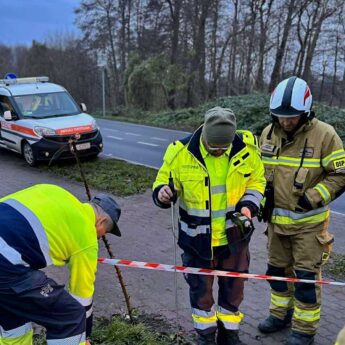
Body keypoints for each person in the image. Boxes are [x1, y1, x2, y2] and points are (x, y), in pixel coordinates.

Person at [152, 107, 265, 345]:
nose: (218, 151)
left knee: (233, 290)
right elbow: (162, 180)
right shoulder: (180, 152)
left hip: (234, 239)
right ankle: (205, 336)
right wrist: (162, 193)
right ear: (204, 135)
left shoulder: (246, 149)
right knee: (200, 293)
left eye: (223, 148)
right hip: (197, 242)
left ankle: (229, 333)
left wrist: (249, 205)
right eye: (214, 147)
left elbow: (257, 180)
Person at [258, 76, 345, 345]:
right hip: (275, 224)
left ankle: (304, 331)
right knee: (276, 273)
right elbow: (258, 174)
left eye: (292, 117)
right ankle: (279, 315)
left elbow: (341, 174)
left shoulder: (325, 135)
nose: (286, 122)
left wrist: (312, 197)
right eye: (281, 117)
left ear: (306, 112)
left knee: (306, 281)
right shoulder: (267, 133)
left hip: (309, 226)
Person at [0, 184, 122, 345]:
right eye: (104, 232)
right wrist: (85, 337)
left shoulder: (57, 192)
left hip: (6, 259)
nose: (100, 237)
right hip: (6, 263)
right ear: (101, 221)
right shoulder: (86, 234)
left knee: (14, 316)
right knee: (69, 317)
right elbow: (82, 297)